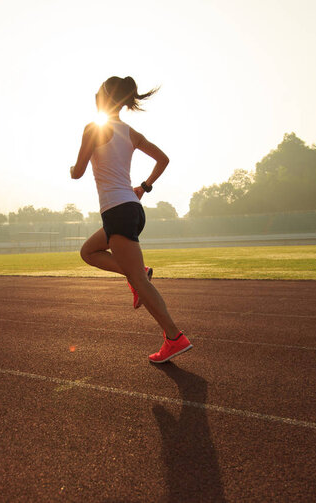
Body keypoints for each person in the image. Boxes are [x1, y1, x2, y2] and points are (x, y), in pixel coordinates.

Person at [69, 76, 192, 364]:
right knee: (88, 252)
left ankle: (174, 338)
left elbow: (78, 172)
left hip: (117, 211)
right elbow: (163, 159)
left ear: (104, 96)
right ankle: (139, 273)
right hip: (132, 210)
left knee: (138, 280)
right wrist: (144, 187)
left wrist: (70, 168)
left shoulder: (93, 129)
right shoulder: (130, 132)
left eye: (98, 91)